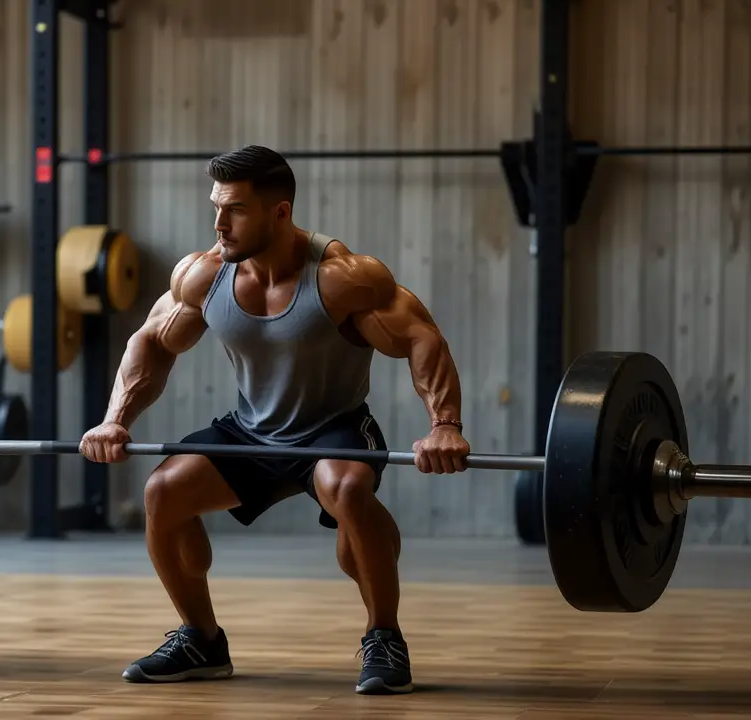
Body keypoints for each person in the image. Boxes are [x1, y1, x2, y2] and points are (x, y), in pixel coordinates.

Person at [79, 145, 471, 696]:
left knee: (350, 488)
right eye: (215, 207)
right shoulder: (204, 274)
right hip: (251, 430)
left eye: (234, 210)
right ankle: (202, 640)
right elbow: (152, 342)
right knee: (163, 492)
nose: (219, 224)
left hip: (331, 427)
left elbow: (420, 338)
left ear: (279, 213)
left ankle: (384, 636)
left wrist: (445, 424)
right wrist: (114, 419)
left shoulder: (342, 278)